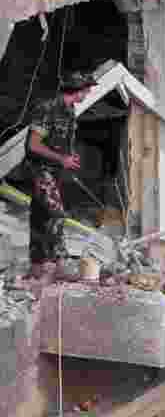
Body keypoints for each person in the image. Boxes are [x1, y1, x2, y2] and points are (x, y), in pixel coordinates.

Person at [25, 71, 98, 275]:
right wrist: (62, 159)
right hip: (40, 170)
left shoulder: (70, 111)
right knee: (56, 213)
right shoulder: (47, 109)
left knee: (39, 217)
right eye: (87, 89)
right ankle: (62, 263)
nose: (89, 92)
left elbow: (62, 141)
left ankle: (36, 267)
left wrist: (70, 156)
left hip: (54, 171)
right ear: (78, 89)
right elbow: (34, 145)